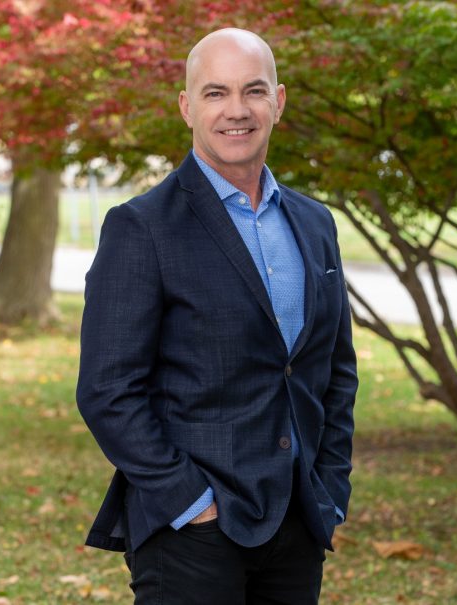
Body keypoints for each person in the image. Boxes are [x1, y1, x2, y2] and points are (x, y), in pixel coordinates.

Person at [76, 28, 358, 604]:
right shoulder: (142, 227)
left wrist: (328, 490)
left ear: (278, 102)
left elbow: (335, 370)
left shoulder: (314, 223)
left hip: (297, 521)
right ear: (187, 108)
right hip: (193, 530)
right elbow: (107, 390)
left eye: (253, 91)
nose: (236, 110)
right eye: (215, 93)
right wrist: (189, 502)